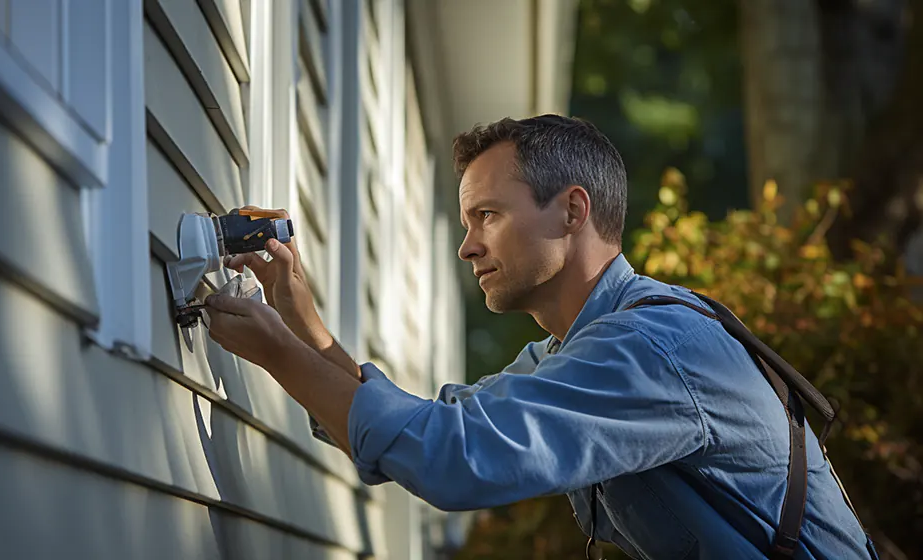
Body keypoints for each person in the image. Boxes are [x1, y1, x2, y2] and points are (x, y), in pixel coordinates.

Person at [204, 115, 875, 559]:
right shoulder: (575, 351)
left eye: (487, 216)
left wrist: (275, 351)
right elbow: (436, 427)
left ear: (572, 211)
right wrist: (302, 323)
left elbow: (451, 460)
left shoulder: (652, 349)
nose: (466, 248)